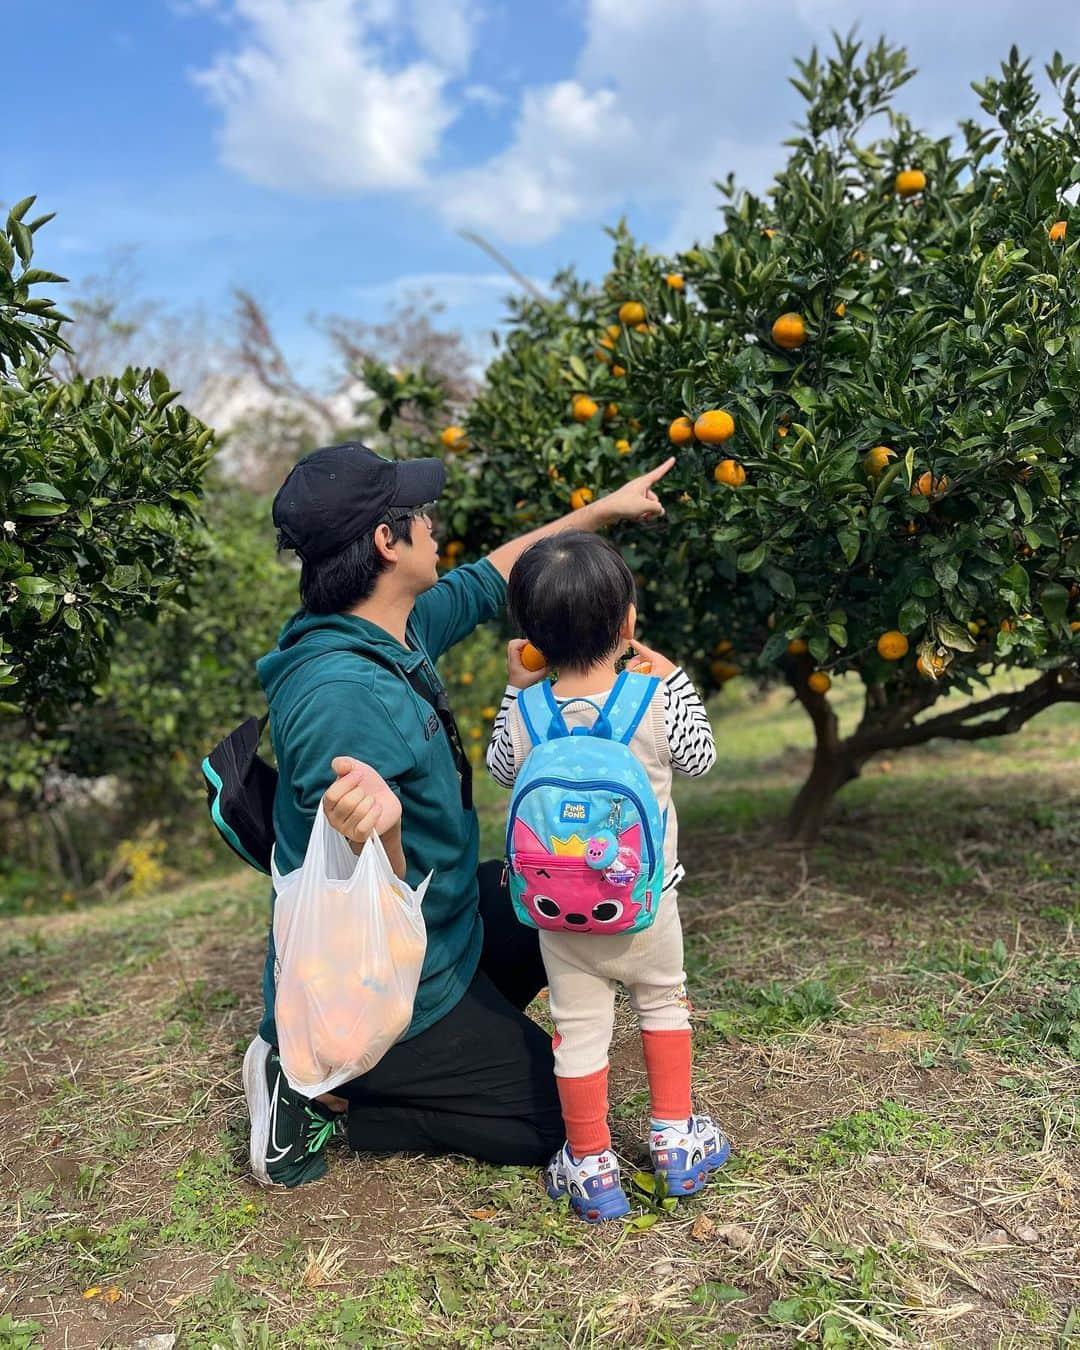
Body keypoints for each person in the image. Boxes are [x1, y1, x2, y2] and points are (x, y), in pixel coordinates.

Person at [243, 441, 675, 1188]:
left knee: (573, 902)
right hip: (382, 986)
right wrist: (381, 830)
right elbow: (351, 903)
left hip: (443, 923)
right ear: (387, 541)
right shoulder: (340, 694)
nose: (435, 527)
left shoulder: (386, 626)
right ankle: (329, 1091)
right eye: (421, 514)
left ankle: (445, 1034)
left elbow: (490, 576)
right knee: (556, 1122)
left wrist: (604, 510)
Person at [484, 531, 728, 1222]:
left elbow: (504, 771)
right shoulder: (652, 699)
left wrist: (514, 689)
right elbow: (701, 759)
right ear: (627, 623)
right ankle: (675, 1144)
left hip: (560, 915)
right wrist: (674, 678)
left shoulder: (529, 709)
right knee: (662, 1005)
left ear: (530, 635)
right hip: (649, 904)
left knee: (579, 1030)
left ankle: (592, 1167)